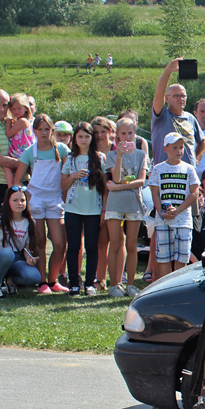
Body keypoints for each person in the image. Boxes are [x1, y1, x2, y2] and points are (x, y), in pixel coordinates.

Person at [14, 114, 71, 294]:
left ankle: (53, 280)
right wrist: (26, 196)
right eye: (40, 129)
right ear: (34, 131)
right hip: (36, 199)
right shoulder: (30, 152)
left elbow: (68, 174)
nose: (44, 132)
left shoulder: (62, 149)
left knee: (60, 243)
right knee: (39, 242)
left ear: (52, 130)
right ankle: (42, 282)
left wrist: (65, 195)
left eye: (47, 129)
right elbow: (17, 180)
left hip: (55, 199)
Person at [105, 117, 149, 297]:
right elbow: (114, 178)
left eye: (130, 133)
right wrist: (120, 156)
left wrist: (118, 187)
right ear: (117, 134)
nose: (127, 137)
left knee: (132, 245)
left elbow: (141, 180)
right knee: (115, 244)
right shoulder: (111, 155)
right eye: (123, 133)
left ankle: (130, 284)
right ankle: (115, 284)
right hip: (115, 204)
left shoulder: (141, 155)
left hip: (134, 204)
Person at [61, 121, 105, 296]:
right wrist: (73, 176)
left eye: (87, 136)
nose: (84, 139)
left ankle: (89, 284)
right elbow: (62, 185)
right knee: (73, 246)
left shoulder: (100, 157)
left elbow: (104, 185)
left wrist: (104, 210)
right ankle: (73, 283)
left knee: (91, 247)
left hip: (94, 209)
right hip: (73, 209)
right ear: (75, 139)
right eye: (80, 136)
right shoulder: (70, 159)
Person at [148, 132, 199, 280]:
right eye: (175, 147)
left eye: (181, 147)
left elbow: (194, 193)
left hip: (183, 220)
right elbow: (155, 193)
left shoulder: (189, 169)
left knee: (182, 257)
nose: (179, 151)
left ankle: (177, 286)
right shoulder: (158, 169)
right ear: (165, 149)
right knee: (164, 257)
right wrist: (162, 212)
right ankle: (165, 288)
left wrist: (178, 210)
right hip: (163, 220)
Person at [151, 58, 205, 167]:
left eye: (183, 96)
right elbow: (158, 96)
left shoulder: (190, 118)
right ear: (167, 98)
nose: (180, 98)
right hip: (165, 174)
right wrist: (168, 71)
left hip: (187, 174)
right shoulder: (162, 116)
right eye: (176, 96)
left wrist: (196, 159)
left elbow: (203, 141)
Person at [0, 186, 41, 294]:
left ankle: (11, 281)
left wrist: (29, 258)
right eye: (15, 200)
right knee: (7, 253)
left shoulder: (30, 222)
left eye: (22, 200)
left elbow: (26, 248)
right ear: (7, 202)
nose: (19, 203)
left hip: (16, 258)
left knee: (34, 277)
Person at [91, 116, 116, 291]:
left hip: (115, 199)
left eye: (103, 131)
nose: (99, 135)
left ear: (110, 132)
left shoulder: (115, 150)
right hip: (93, 199)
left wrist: (106, 208)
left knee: (115, 240)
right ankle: (99, 278)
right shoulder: (90, 149)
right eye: (96, 132)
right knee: (99, 241)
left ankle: (115, 277)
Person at [0, 90, 20, 202]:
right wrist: (23, 165)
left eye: (4, 105)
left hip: (19, 179)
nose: (1, 109)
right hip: (0, 182)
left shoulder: (12, 123)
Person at [5, 93, 35, 164]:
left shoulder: (22, 121)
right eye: (13, 109)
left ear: (26, 108)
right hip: (21, 154)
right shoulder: (19, 121)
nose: (16, 111)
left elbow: (9, 134)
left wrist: (8, 121)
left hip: (21, 154)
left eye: (19, 108)